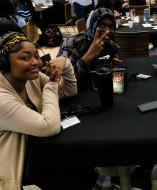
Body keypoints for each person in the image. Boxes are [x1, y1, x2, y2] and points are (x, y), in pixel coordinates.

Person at [0, 31, 92, 190]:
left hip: (37, 155)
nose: (35, 62)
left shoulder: (29, 80)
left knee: (84, 165)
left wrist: (66, 62)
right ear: (4, 63)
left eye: (36, 56)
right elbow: (49, 126)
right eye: (25, 58)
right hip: (14, 174)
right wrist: (51, 84)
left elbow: (69, 91)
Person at [57, 7, 122, 90]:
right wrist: (89, 54)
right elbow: (63, 82)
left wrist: (114, 58)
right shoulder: (72, 44)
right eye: (102, 25)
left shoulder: (107, 42)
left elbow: (116, 50)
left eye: (111, 26)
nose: (107, 31)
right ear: (93, 24)